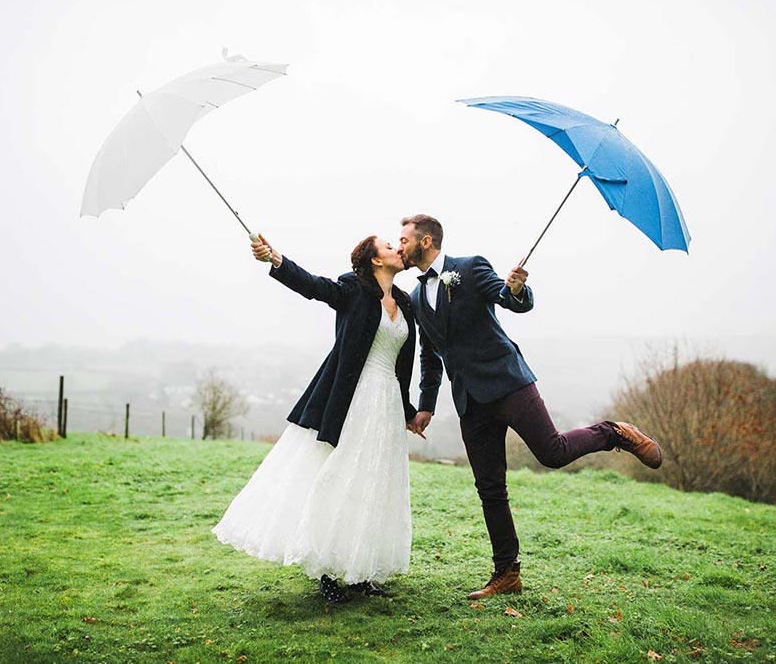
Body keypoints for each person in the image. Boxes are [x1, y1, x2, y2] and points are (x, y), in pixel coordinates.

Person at [398, 214, 663, 600]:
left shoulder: (470, 268)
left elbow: (509, 300)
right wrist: (426, 406)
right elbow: (429, 355)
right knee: (490, 488)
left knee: (552, 452)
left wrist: (518, 289)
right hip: (469, 401)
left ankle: (613, 432)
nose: (398, 245)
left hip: (508, 383)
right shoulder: (420, 296)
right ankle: (507, 574)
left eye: (403, 239)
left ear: (425, 242)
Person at [212, 233, 420, 603]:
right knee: (338, 478)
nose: (397, 249)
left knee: (374, 484)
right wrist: (277, 260)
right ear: (374, 260)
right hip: (351, 400)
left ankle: (360, 572)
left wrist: (407, 411)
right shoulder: (352, 289)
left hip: (386, 404)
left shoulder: (405, 303)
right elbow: (312, 286)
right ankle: (325, 569)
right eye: (389, 246)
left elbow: (402, 365)